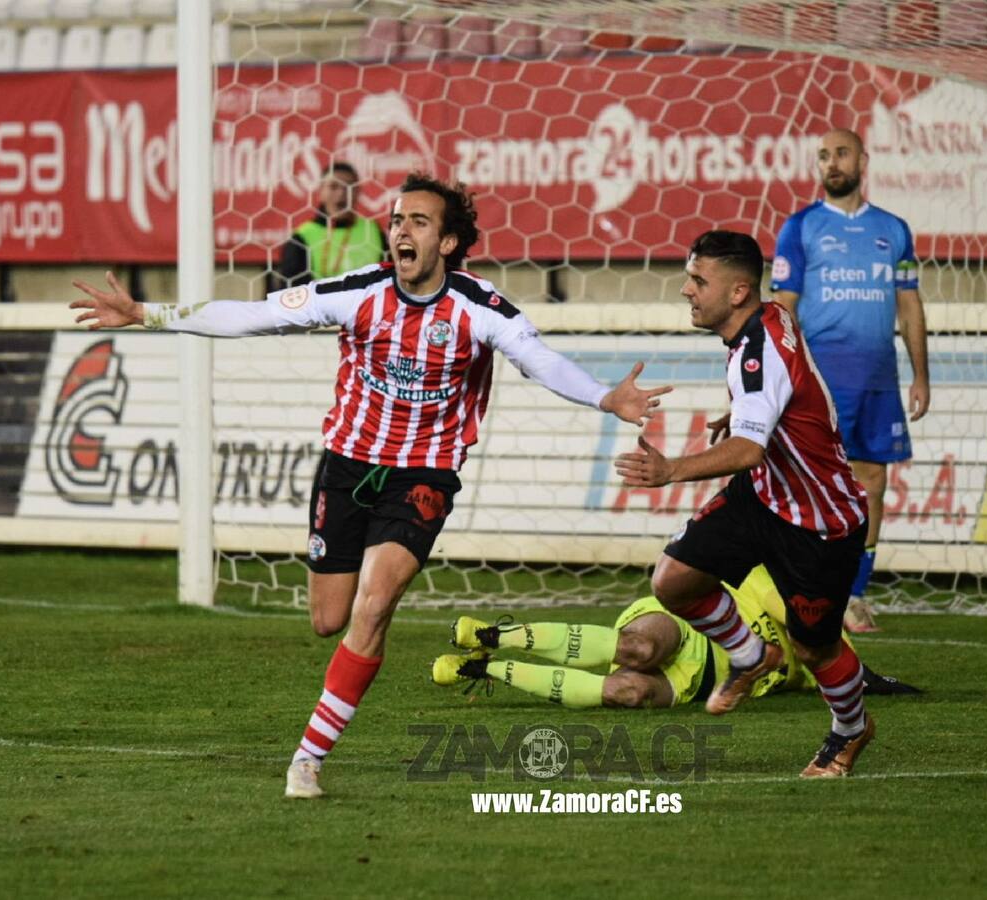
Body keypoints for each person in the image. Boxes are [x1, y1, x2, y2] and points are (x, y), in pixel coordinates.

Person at [70, 173, 671, 800]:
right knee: (330, 619)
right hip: (349, 466)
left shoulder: (478, 306)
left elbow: (538, 359)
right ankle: (346, 671)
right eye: (397, 220)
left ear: (448, 241)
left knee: (374, 605)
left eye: (418, 221)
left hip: (424, 474)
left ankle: (307, 759)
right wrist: (148, 314)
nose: (401, 230)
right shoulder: (358, 293)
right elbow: (255, 315)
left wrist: (605, 396)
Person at [614, 229, 876, 779]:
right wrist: (746, 408)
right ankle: (753, 655)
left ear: (737, 293)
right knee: (673, 581)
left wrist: (670, 471)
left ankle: (851, 729)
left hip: (818, 522)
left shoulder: (756, 353)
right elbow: (787, 388)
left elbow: (750, 449)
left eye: (697, 280)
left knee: (817, 651)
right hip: (763, 495)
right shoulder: (771, 315)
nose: (687, 290)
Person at [770, 128, 930, 633]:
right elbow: (782, 309)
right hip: (818, 382)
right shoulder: (800, 228)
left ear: (862, 159)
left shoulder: (894, 230)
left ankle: (855, 595)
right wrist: (772, 378)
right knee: (805, 482)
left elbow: (909, 304)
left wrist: (921, 375)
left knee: (873, 482)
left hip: (878, 378)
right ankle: (802, 589)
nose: (831, 163)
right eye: (823, 156)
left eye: (840, 153)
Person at [431, 564, 921, 708]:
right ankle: (497, 636)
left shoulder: (818, 665)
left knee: (629, 689)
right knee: (639, 648)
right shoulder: (777, 586)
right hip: (692, 623)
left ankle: (483, 666)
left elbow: (832, 672)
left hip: (698, 684)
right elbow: (797, 622)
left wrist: (864, 681)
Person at [270, 161, 388, 291]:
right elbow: (291, 293)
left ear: (358, 192)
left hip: (367, 309)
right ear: (320, 192)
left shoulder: (373, 231)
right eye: (333, 186)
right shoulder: (302, 237)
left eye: (349, 187)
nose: (341, 193)